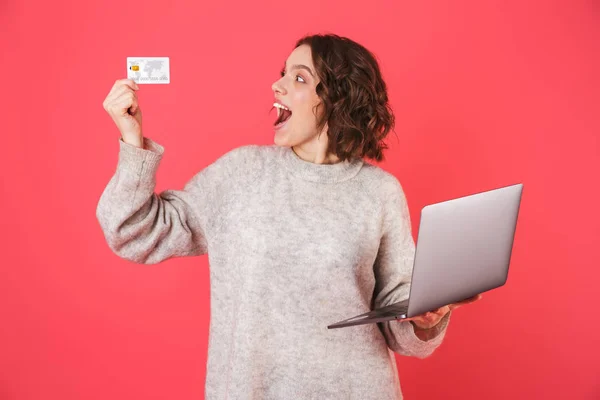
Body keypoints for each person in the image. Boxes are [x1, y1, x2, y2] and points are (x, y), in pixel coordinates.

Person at [97, 33, 481, 400]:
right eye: (283, 73)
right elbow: (135, 231)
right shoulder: (242, 173)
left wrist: (424, 318)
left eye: (298, 77)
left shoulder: (379, 192)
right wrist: (132, 140)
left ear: (338, 98)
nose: (276, 86)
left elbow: (398, 316)